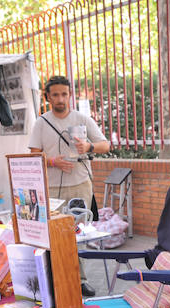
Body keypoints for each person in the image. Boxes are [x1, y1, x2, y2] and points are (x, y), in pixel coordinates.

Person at [28, 75, 110, 296]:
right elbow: (33, 157)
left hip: (81, 184)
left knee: (77, 235)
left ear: (70, 95)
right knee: (56, 235)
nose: (60, 98)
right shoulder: (41, 123)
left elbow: (105, 145)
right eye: (55, 94)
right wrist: (53, 162)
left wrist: (89, 146)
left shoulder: (82, 118)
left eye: (64, 94)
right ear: (48, 97)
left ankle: (79, 279)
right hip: (53, 188)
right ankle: (57, 279)